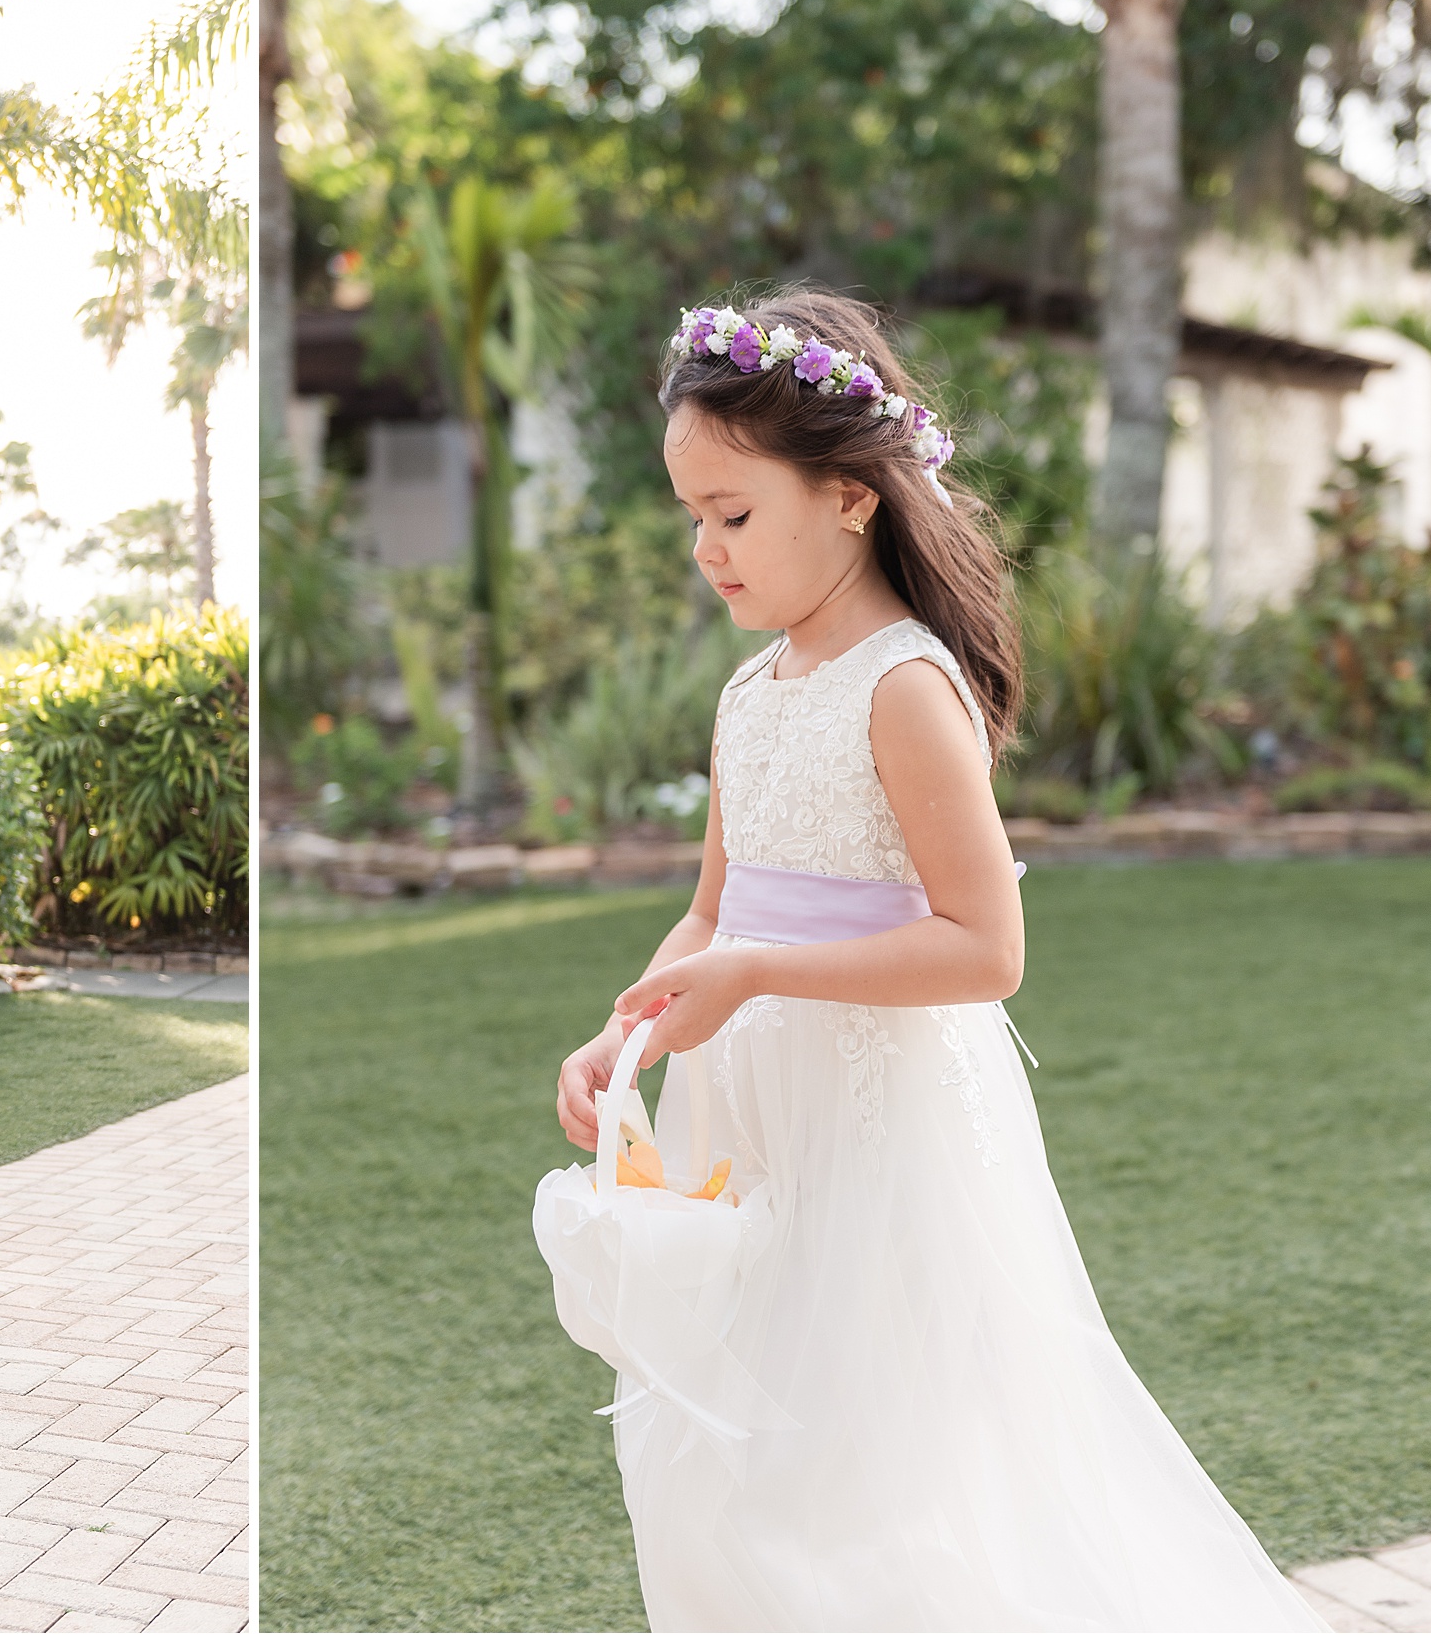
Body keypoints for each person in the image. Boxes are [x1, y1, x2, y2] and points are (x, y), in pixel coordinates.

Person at [541, 289, 1325, 1629]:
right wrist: (636, 1030)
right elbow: (712, 910)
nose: (706, 551)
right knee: (750, 1447)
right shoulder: (750, 693)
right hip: (749, 1110)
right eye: (693, 519)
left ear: (851, 498)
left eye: (734, 515)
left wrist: (760, 977)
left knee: (879, 1454)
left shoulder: (903, 687)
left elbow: (985, 946)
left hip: (882, 1123)